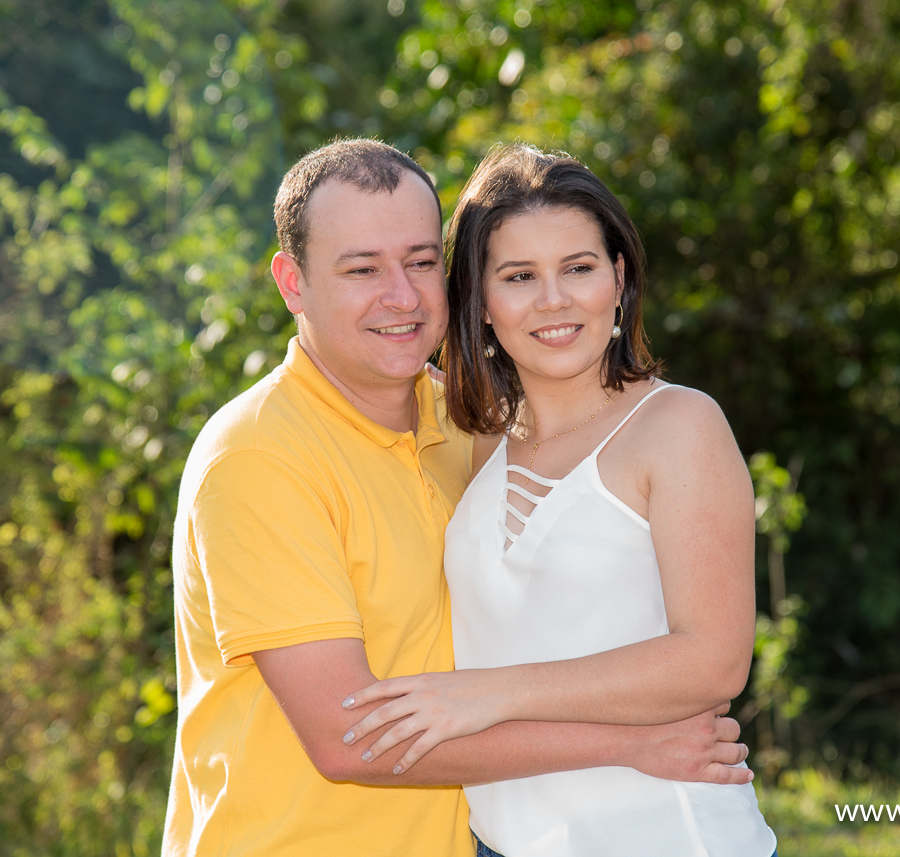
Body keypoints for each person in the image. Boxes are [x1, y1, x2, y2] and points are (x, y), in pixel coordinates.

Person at [161, 138, 753, 857]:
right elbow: (351, 740)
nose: (401, 297)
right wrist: (625, 744)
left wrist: (496, 695)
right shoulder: (259, 455)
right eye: (361, 269)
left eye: (419, 261)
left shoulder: (459, 421)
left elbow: (704, 651)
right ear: (292, 283)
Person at [339, 145, 778, 857]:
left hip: (667, 837)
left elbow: (714, 661)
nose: (554, 300)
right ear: (480, 304)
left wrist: (488, 694)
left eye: (578, 267)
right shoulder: (480, 440)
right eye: (519, 276)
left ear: (619, 277)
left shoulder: (678, 427)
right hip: (502, 841)